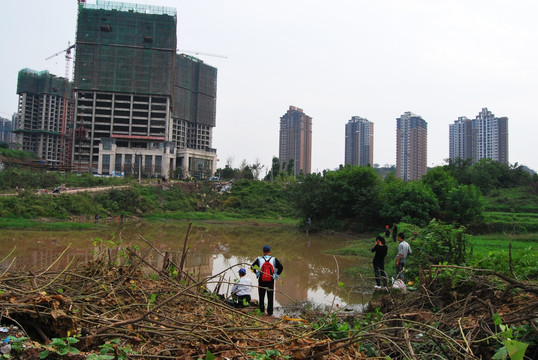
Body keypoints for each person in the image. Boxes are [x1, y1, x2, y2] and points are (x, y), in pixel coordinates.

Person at [251, 245, 283, 316]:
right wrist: (276, 274)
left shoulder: (259, 259)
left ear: (263, 252)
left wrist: (257, 273)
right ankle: (270, 312)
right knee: (270, 296)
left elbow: (252, 267)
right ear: (270, 252)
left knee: (261, 296)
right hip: (270, 280)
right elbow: (281, 267)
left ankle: (262, 311)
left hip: (261, 280)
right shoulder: (274, 259)